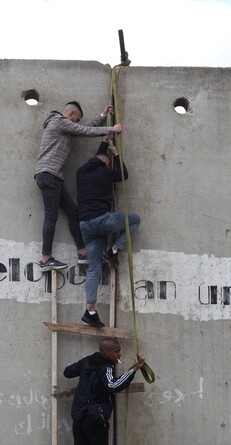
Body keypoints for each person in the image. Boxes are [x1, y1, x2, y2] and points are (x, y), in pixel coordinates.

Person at [34, 101, 122, 272]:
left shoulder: (65, 126)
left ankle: (82, 253)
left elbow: (85, 128)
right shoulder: (58, 121)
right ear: (71, 114)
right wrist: (112, 129)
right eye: (77, 119)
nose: (77, 122)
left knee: (74, 212)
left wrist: (102, 116)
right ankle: (46, 258)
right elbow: (84, 130)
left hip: (54, 177)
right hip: (47, 174)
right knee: (51, 216)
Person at [76, 136, 140, 328]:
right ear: (105, 164)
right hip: (102, 220)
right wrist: (117, 155)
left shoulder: (81, 172)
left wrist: (104, 143)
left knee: (94, 268)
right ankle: (113, 250)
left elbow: (98, 157)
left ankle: (90, 310)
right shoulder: (104, 173)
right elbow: (123, 175)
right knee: (135, 220)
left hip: (85, 225)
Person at [64, 337, 146, 445]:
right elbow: (113, 385)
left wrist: (84, 366)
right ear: (106, 352)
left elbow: (67, 372)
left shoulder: (87, 361)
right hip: (94, 419)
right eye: (117, 351)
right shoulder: (106, 368)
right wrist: (134, 369)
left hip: (79, 416)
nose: (120, 354)